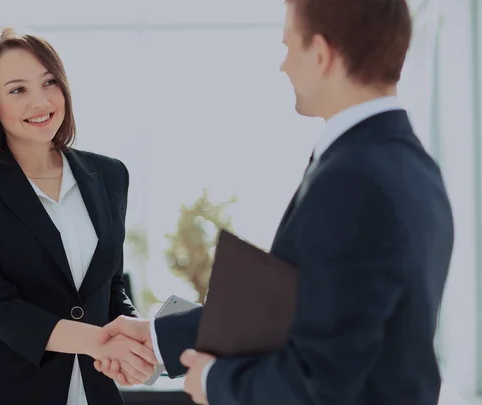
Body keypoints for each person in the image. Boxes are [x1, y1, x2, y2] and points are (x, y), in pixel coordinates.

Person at [95, 0, 455, 404]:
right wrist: (159, 337)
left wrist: (213, 381)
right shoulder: (406, 163)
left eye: (289, 47)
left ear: (320, 55)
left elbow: (319, 381)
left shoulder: (354, 180)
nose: (283, 66)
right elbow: (306, 305)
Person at [0, 28, 157, 405]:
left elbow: (110, 287)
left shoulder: (110, 175)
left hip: (94, 390)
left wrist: (135, 342)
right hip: (5, 390)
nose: (41, 101)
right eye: (18, 90)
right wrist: (104, 343)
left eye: (49, 82)